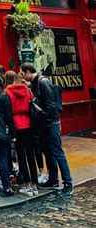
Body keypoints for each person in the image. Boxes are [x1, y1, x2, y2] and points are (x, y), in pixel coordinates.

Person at [20, 62, 73, 195]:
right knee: (48, 152)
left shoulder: (43, 83)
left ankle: (68, 184)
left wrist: (45, 119)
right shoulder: (35, 83)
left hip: (50, 123)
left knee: (57, 153)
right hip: (44, 124)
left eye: (22, 73)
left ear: (27, 72)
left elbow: (51, 106)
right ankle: (53, 179)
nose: (21, 76)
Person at [4, 70, 38, 196]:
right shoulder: (27, 89)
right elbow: (33, 103)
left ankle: (27, 184)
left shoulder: (7, 92)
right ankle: (34, 185)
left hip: (16, 125)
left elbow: (7, 110)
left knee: (21, 155)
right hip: (29, 123)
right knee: (31, 154)